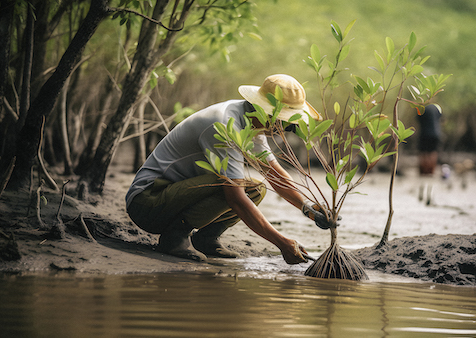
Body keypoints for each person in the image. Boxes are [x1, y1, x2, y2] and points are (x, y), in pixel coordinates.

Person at [125, 74, 332, 264]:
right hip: (147, 203)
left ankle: (206, 238)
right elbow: (235, 198)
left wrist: (308, 208)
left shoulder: (252, 122)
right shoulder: (224, 124)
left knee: (256, 189)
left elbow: (274, 174)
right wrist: (282, 243)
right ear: (268, 114)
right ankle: (175, 237)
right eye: (285, 122)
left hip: (172, 197)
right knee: (235, 186)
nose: (285, 129)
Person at [416, 103, 443, 175]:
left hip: (424, 133)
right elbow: (441, 119)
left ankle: (423, 171)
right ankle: (431, 171)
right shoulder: (437, 108)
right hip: (436, 134)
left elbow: (418, 120)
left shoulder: (421, 109)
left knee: (424, 152)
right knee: (433, 151)